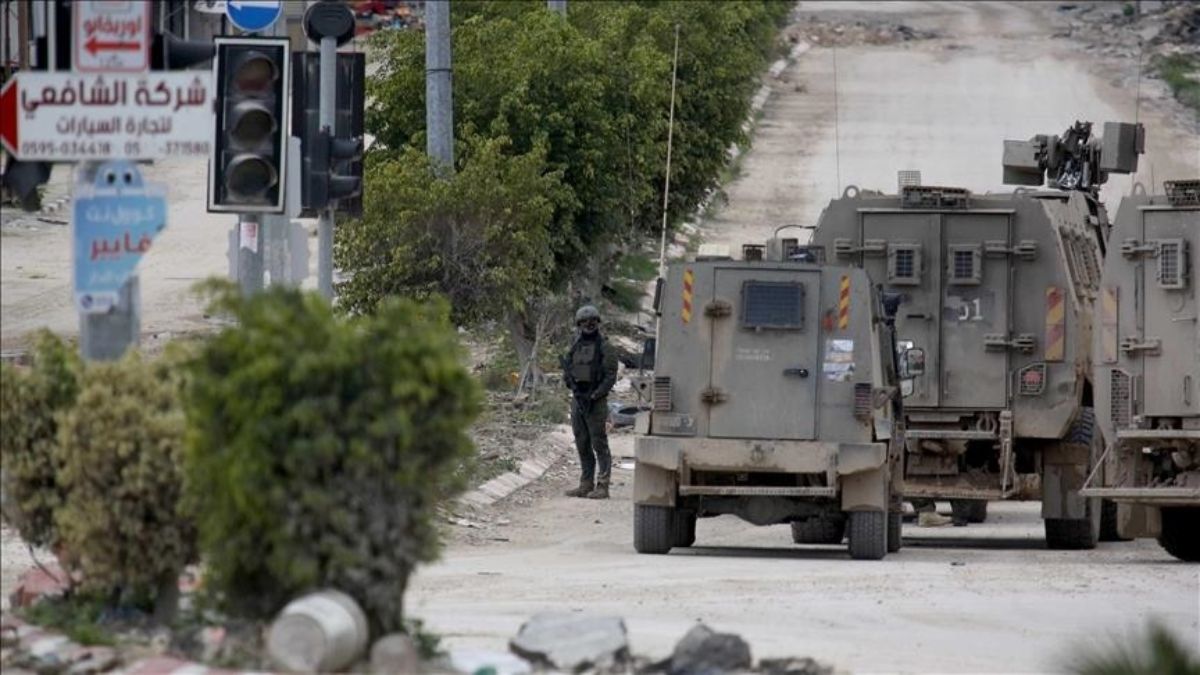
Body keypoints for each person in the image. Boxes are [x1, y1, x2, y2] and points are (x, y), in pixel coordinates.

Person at [561, 305, 619, 500]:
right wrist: (571, 383)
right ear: (579, 325)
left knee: (599, 443)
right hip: (578, 400)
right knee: (582, 443)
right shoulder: (576, 346)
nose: (588, 325)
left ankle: (603, 485)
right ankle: (586, 484)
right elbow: (569, 370)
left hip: (596, 401)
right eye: (584, 322)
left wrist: (596, 395)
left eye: (592, 321)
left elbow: (610, 376)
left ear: (598, 323)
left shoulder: (605, 347)